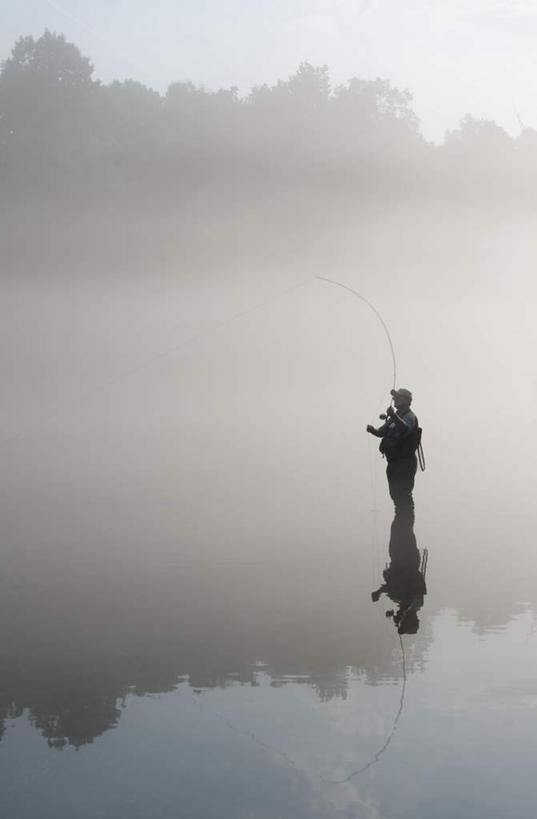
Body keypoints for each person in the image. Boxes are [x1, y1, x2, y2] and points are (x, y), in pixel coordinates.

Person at [366, 388, 419, 518]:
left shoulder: (410, 417)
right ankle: (400, 523)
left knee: (403, 495)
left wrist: (394, 416)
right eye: (395, 397)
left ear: (406, 401)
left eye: (398, 397)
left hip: (405, 464)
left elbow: (404, 429)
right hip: (393, 463)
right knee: (395, 495)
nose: (394, 399)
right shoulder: (394, 417)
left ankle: (405, 523)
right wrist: (372, 430)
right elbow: (381, 432)